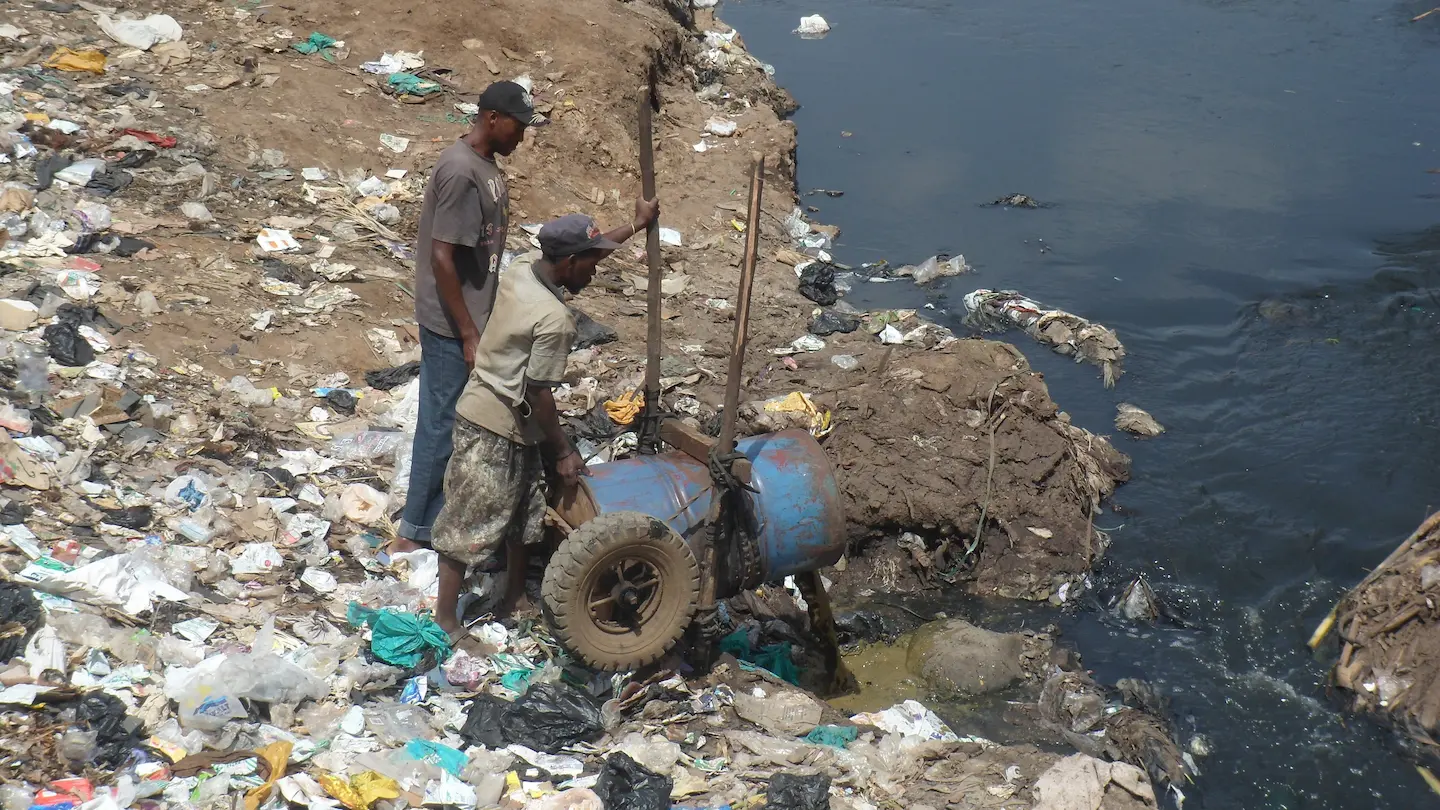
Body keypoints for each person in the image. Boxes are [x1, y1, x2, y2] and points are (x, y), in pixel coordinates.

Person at [430, 205, 658, 637]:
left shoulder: (522, 268)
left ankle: (514, 597)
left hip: (513, 421)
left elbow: (585, 250)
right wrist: (565, 452)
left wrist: (635, 225)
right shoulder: (555, 320)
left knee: (525, 515)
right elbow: (538, 391)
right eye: (590, 264)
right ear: (569, 263)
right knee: (468, 522)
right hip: (493, 424)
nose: (595, 273)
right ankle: (445, 619)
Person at [394, 80, 548, 553]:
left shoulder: (485, 167)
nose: (522, 137)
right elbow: (443, 259)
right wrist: (467, 334)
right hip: (450, 323)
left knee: (453, 421)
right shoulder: (462, 172)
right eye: (518, 127)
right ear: (492, 118)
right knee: (440, 424)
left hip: (470, 317)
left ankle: (439, 520)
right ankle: (414, 534)